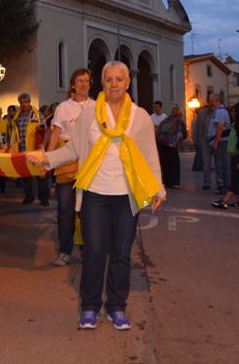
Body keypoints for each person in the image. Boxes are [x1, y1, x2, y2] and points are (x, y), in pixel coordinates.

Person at [28, 61, 165, 331]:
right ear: (102, 83)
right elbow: (74, 150)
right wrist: (46, 158)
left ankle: (117, 307)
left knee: (121, 254)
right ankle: (90, 307)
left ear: (128, 83)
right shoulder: (89, 115)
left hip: (127, 196)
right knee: (93, 253)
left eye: (119, 79)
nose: (114, 84)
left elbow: (150, 155)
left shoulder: (140, 117)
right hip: (94, 194)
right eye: (109, 79)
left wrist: (158, 188)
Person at [45, 68, 94, 267]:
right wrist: (48, 159)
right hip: (66, 162)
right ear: (73, 84)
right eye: (80, 80)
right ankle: (65, 251)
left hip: (90, 162)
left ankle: (89, 250)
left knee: (89, 210)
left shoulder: (98, 106)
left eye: (87, 81)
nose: (84, 84)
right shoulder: (63, 108)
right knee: (65, 209)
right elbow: (55, 135)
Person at [10, 92, 45, 204]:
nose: (24, 104)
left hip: (35, 148)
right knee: (26, 175)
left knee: (40, 174)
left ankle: (43, 198)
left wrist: (41, 135)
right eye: (21, 102)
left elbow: (44, 128)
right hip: (23, 149)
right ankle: (29, 197)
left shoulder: (37, 114)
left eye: (26, 102)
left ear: (30, 102)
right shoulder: (17, 115)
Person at [206, 93, 231, 194]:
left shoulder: (220, 112)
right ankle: (224, 186)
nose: (210, 103)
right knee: (221, 165)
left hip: (221, 142)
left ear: (217, 101)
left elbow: (220, 127)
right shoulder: (219, 111)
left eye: (212, 101)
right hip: (220, 141)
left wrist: (216, 142)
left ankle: (225, 187)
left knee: (222, 165)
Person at [157, 106, 187, 189]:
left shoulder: (164, 121)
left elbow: (158, 131)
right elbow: (184, 134)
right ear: (179, 114)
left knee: (164, 163)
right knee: (174, 163)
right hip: (171, 144)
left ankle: (166, 181)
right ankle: (173, 182)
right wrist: (179, 142)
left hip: (161, 144)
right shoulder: (179, 121)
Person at [191, 105, 211, 174]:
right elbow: (196, 129)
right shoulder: (198, 119)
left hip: (197, 137)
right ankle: (199, 166)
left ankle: (196, 166)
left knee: (198, 153)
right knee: (200, 153)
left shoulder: (195, 119)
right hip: (199, 138)